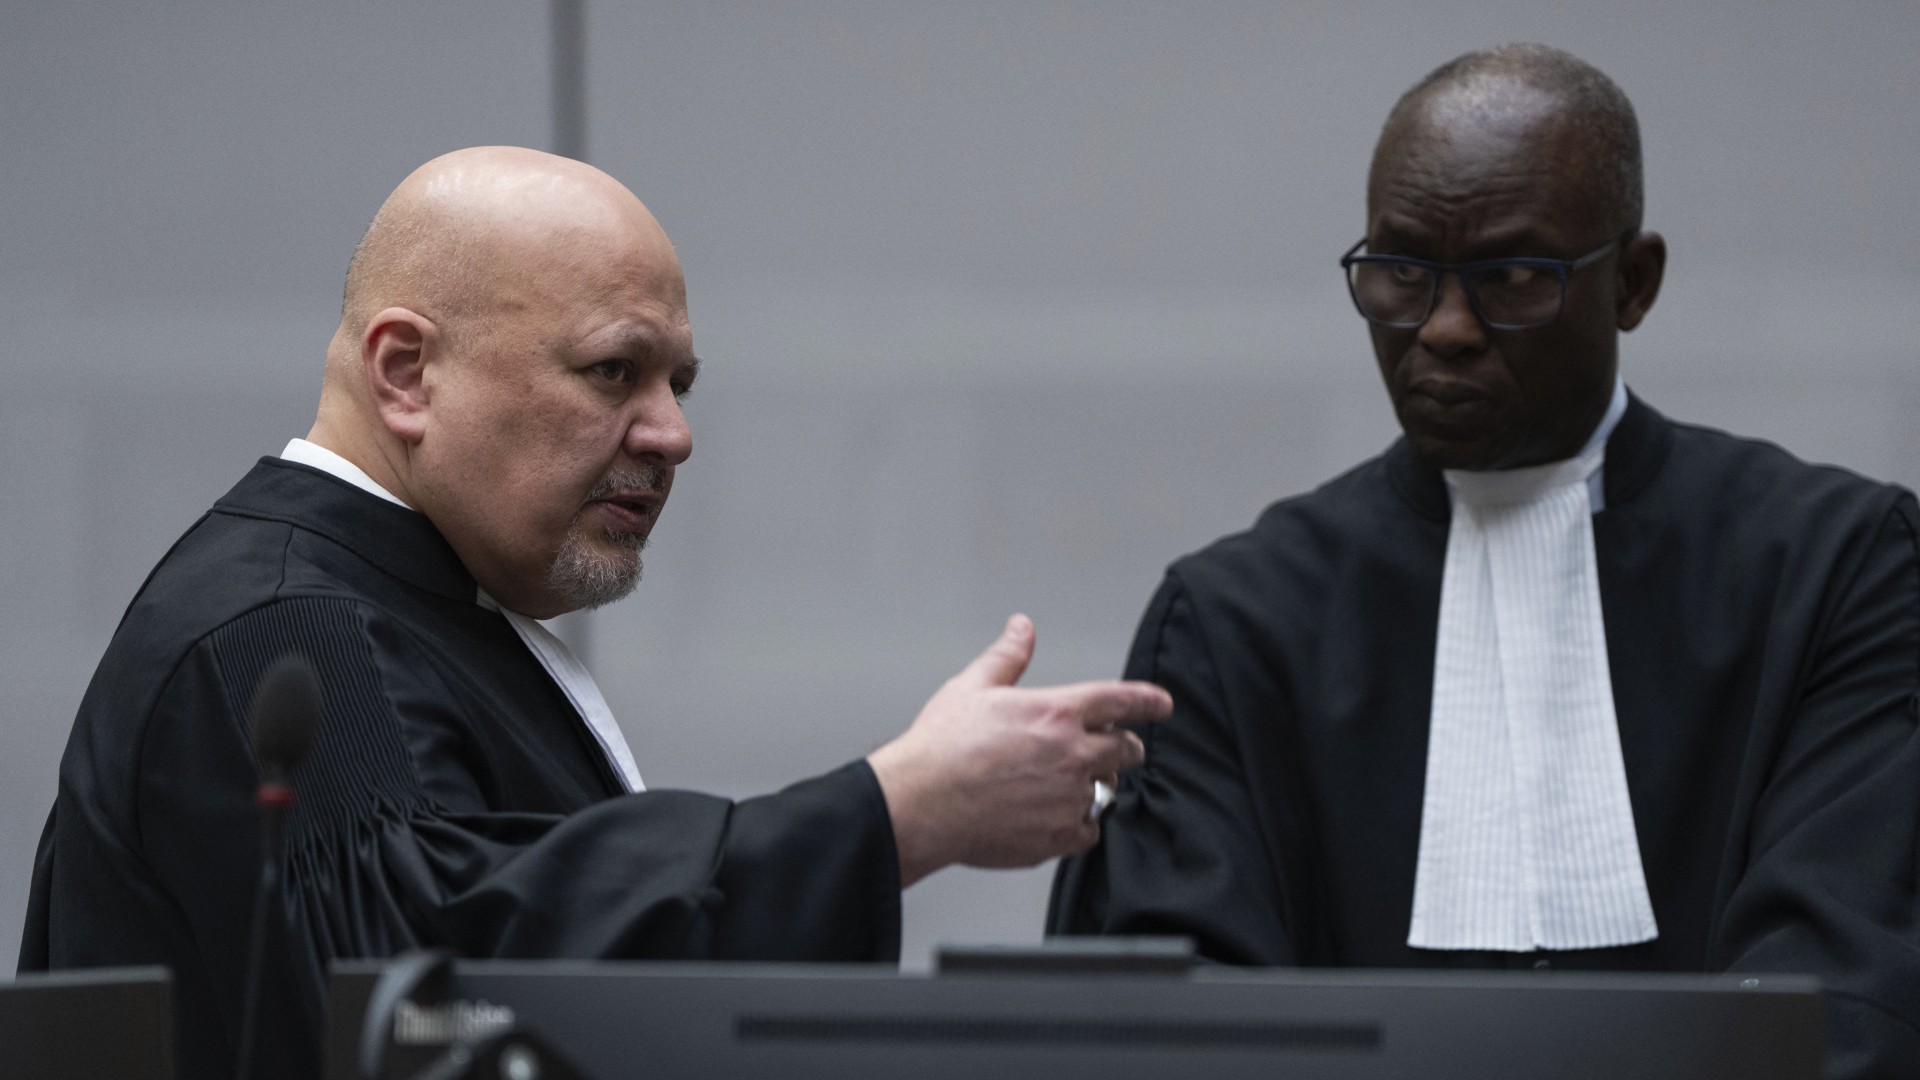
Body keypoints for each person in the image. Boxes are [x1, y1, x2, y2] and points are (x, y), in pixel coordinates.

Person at [21, 146, 1171, 1080]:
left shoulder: (381, 601)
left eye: (679, 382)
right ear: (406, 373)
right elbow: (437, 997)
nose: (673, 433)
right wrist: (898, 811)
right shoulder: (282, 628)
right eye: (615, 372)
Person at [1050, 44, 1920, 1077]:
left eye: (1511, 278)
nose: (1446, 330)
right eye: (1402, 274)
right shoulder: (1233, 622)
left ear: (1633, 282)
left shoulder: (1834, 570)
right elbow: (1171, 1023)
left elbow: (1846, 1002)